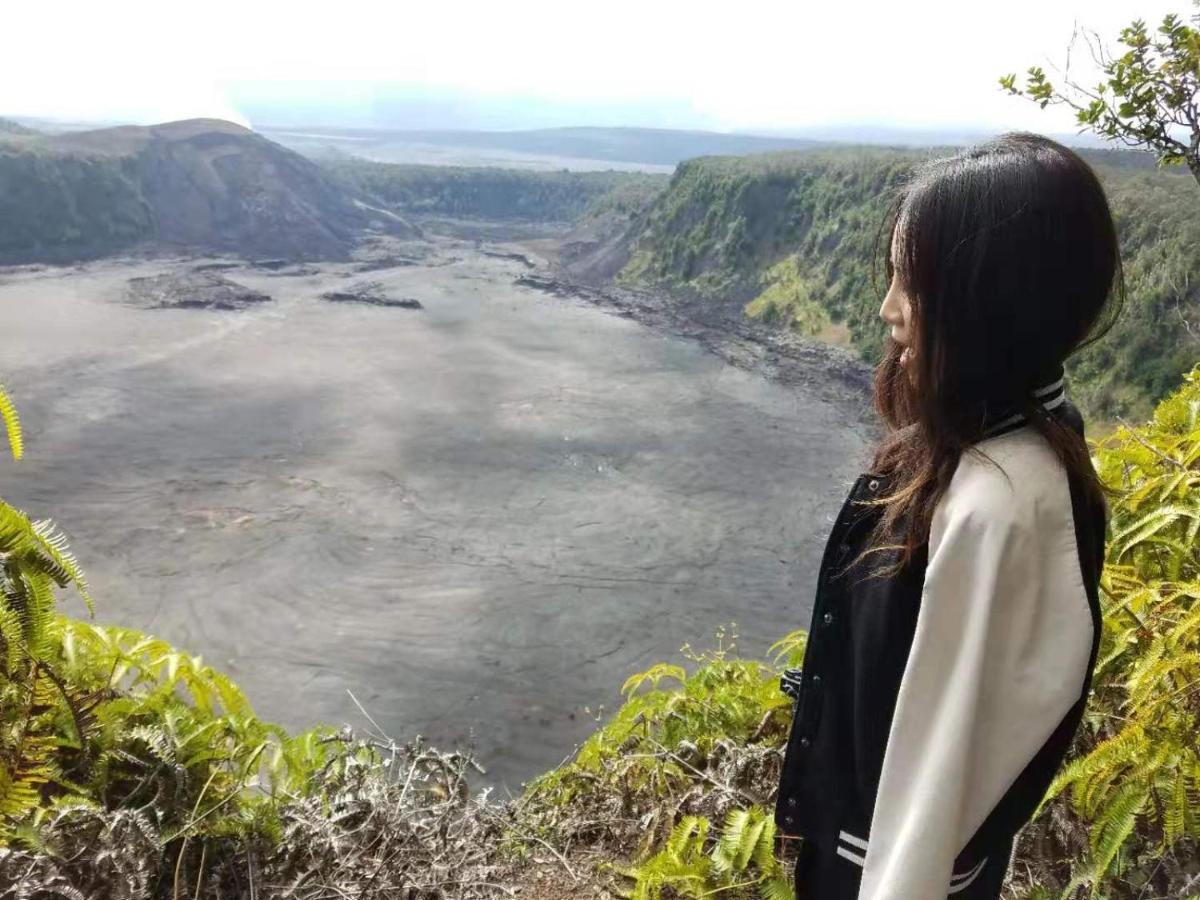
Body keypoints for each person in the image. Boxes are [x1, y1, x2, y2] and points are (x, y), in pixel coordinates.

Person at [773, 132, 1123, 899]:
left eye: (911, 283)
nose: (887, 310)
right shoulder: (996, 452)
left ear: (990, 303)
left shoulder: (997, 509)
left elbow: (938, 777)